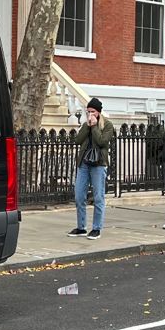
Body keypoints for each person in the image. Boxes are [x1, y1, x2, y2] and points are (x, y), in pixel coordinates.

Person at [70, 98, 115, 240]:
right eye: (88, 111)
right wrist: (87, 127)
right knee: (79, 196)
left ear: (99, 112)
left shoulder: (107, 125)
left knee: (98, 197)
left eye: (93, 112)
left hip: (99, 164)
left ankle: (96, 228)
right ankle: (81, 227)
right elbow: (77, 140)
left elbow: (102, 142)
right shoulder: (86, 124)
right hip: (84, 163)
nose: (90, 114)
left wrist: (95, 127)